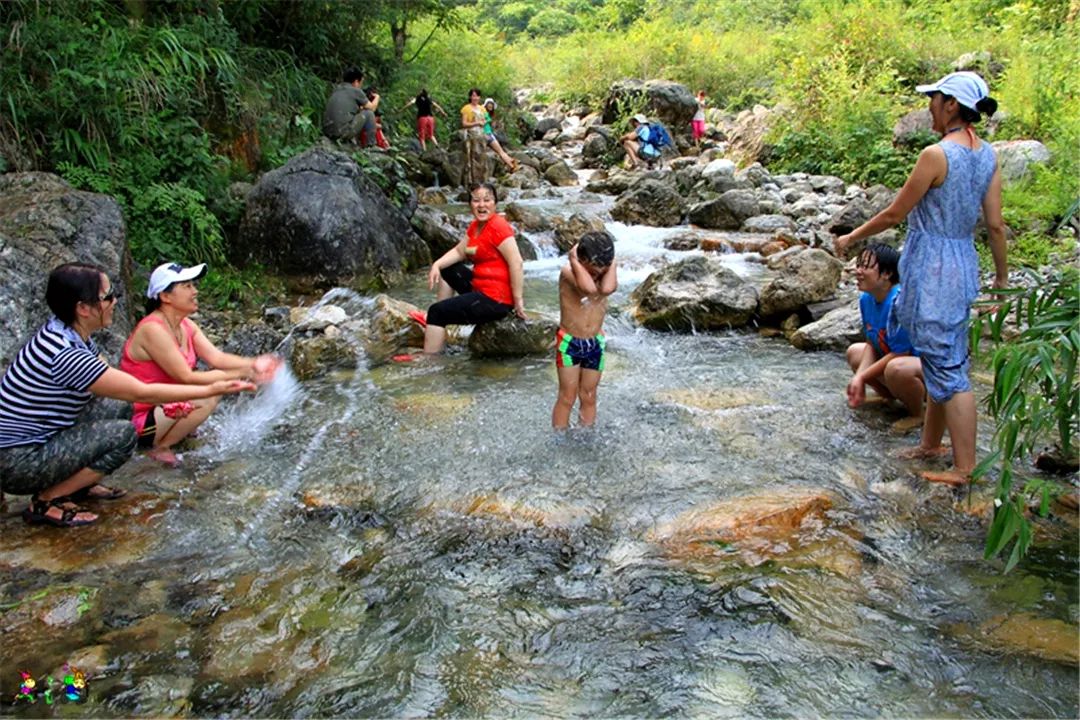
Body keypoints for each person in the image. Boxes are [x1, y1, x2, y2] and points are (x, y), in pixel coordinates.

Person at [835, 71, 1007, 486]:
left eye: (934, 99)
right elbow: (996, 225)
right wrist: (1002, 278)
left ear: (951, 105)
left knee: (951, 369)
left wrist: (852, 238)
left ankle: (965, 469)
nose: (928, 106)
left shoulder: (936, 154)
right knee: (938, 356)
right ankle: (932, 444)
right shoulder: (988, 156)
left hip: (933, 266)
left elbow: (895, 213)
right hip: (962, 260)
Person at [0, 263, 254, 527]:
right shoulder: (66, 353)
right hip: (19, 462)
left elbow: (120, 387)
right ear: (83, 308)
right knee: (123, 435)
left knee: (119, 405)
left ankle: (78, 486)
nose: (115, 301)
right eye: (107, 297)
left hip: (29, 443)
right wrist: (213, 388)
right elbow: (139, 390)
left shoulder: (68, 333)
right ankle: (47, 500)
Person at [120, 262, 282, 465]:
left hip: (165, 408)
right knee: (207, 394)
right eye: (186, 286)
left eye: (193, 285)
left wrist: (255, 363)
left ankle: (177, 434)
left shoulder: (185, 325)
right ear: (165, 296)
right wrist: (246, 372)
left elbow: (217, 359)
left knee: (206, 388)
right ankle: (160, 447)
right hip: (140, 420)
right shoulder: (153, 329)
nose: (195, 291)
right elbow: (186, 377)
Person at [409, 183, 527, 356]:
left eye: (487, 200)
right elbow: (459, 251)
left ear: (495, 204)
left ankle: (430, 362)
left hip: (496, 299)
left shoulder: (498, 227)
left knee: (437, 312)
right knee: (447, 268)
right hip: (481, 288)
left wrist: (518, 300)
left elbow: (516, 263)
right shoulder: (475, 227)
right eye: (476, 200)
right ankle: (437, 324)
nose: (482, 205)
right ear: (470, 204)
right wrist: (436, 265)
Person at [845, 244, 925, 432]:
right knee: (854, 352)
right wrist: (859, 377)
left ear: (887, 274)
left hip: (926, 370)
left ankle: (917, 413)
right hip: (899, 362)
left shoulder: (899, 302)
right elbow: (872, 343)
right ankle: (888, 398)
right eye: (858, 265)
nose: (858, 271)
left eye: (865, 266)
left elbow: (900, 353)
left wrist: (861, 377)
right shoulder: (867, 299)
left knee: (896, 368)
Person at [552, 231, 618, 429]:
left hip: (595, 344)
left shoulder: (605, 277)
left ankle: (585, 435)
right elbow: (588, 289)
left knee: (589, 394)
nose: (597, 274)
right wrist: (573, 259)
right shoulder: (568, 272)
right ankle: (559, 438)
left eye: (601, 270)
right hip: (569, 343)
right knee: (567, 396)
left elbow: (607, 289)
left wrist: (611, 263)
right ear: (580, 261)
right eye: (592, 270)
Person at [322, 66, 379, 147]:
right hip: (341, 132)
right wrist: (377, 97)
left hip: (328, 132)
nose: (360, 86)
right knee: (369, 114)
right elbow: (372, 108)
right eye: (361, 83)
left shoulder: (336, 89)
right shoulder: (356, 91)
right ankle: (371, 145)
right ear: (356, 82)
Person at [482, 98, 518, 172]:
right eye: (489, 105)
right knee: (501, 151)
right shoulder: (484, 112)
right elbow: (483, 122)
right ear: (486, 105)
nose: (490, 107)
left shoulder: (484, 112)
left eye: (491, 106)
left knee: (500, 151)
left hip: (486, 134)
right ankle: (512, 165)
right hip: (487, 134)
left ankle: (512, 162)